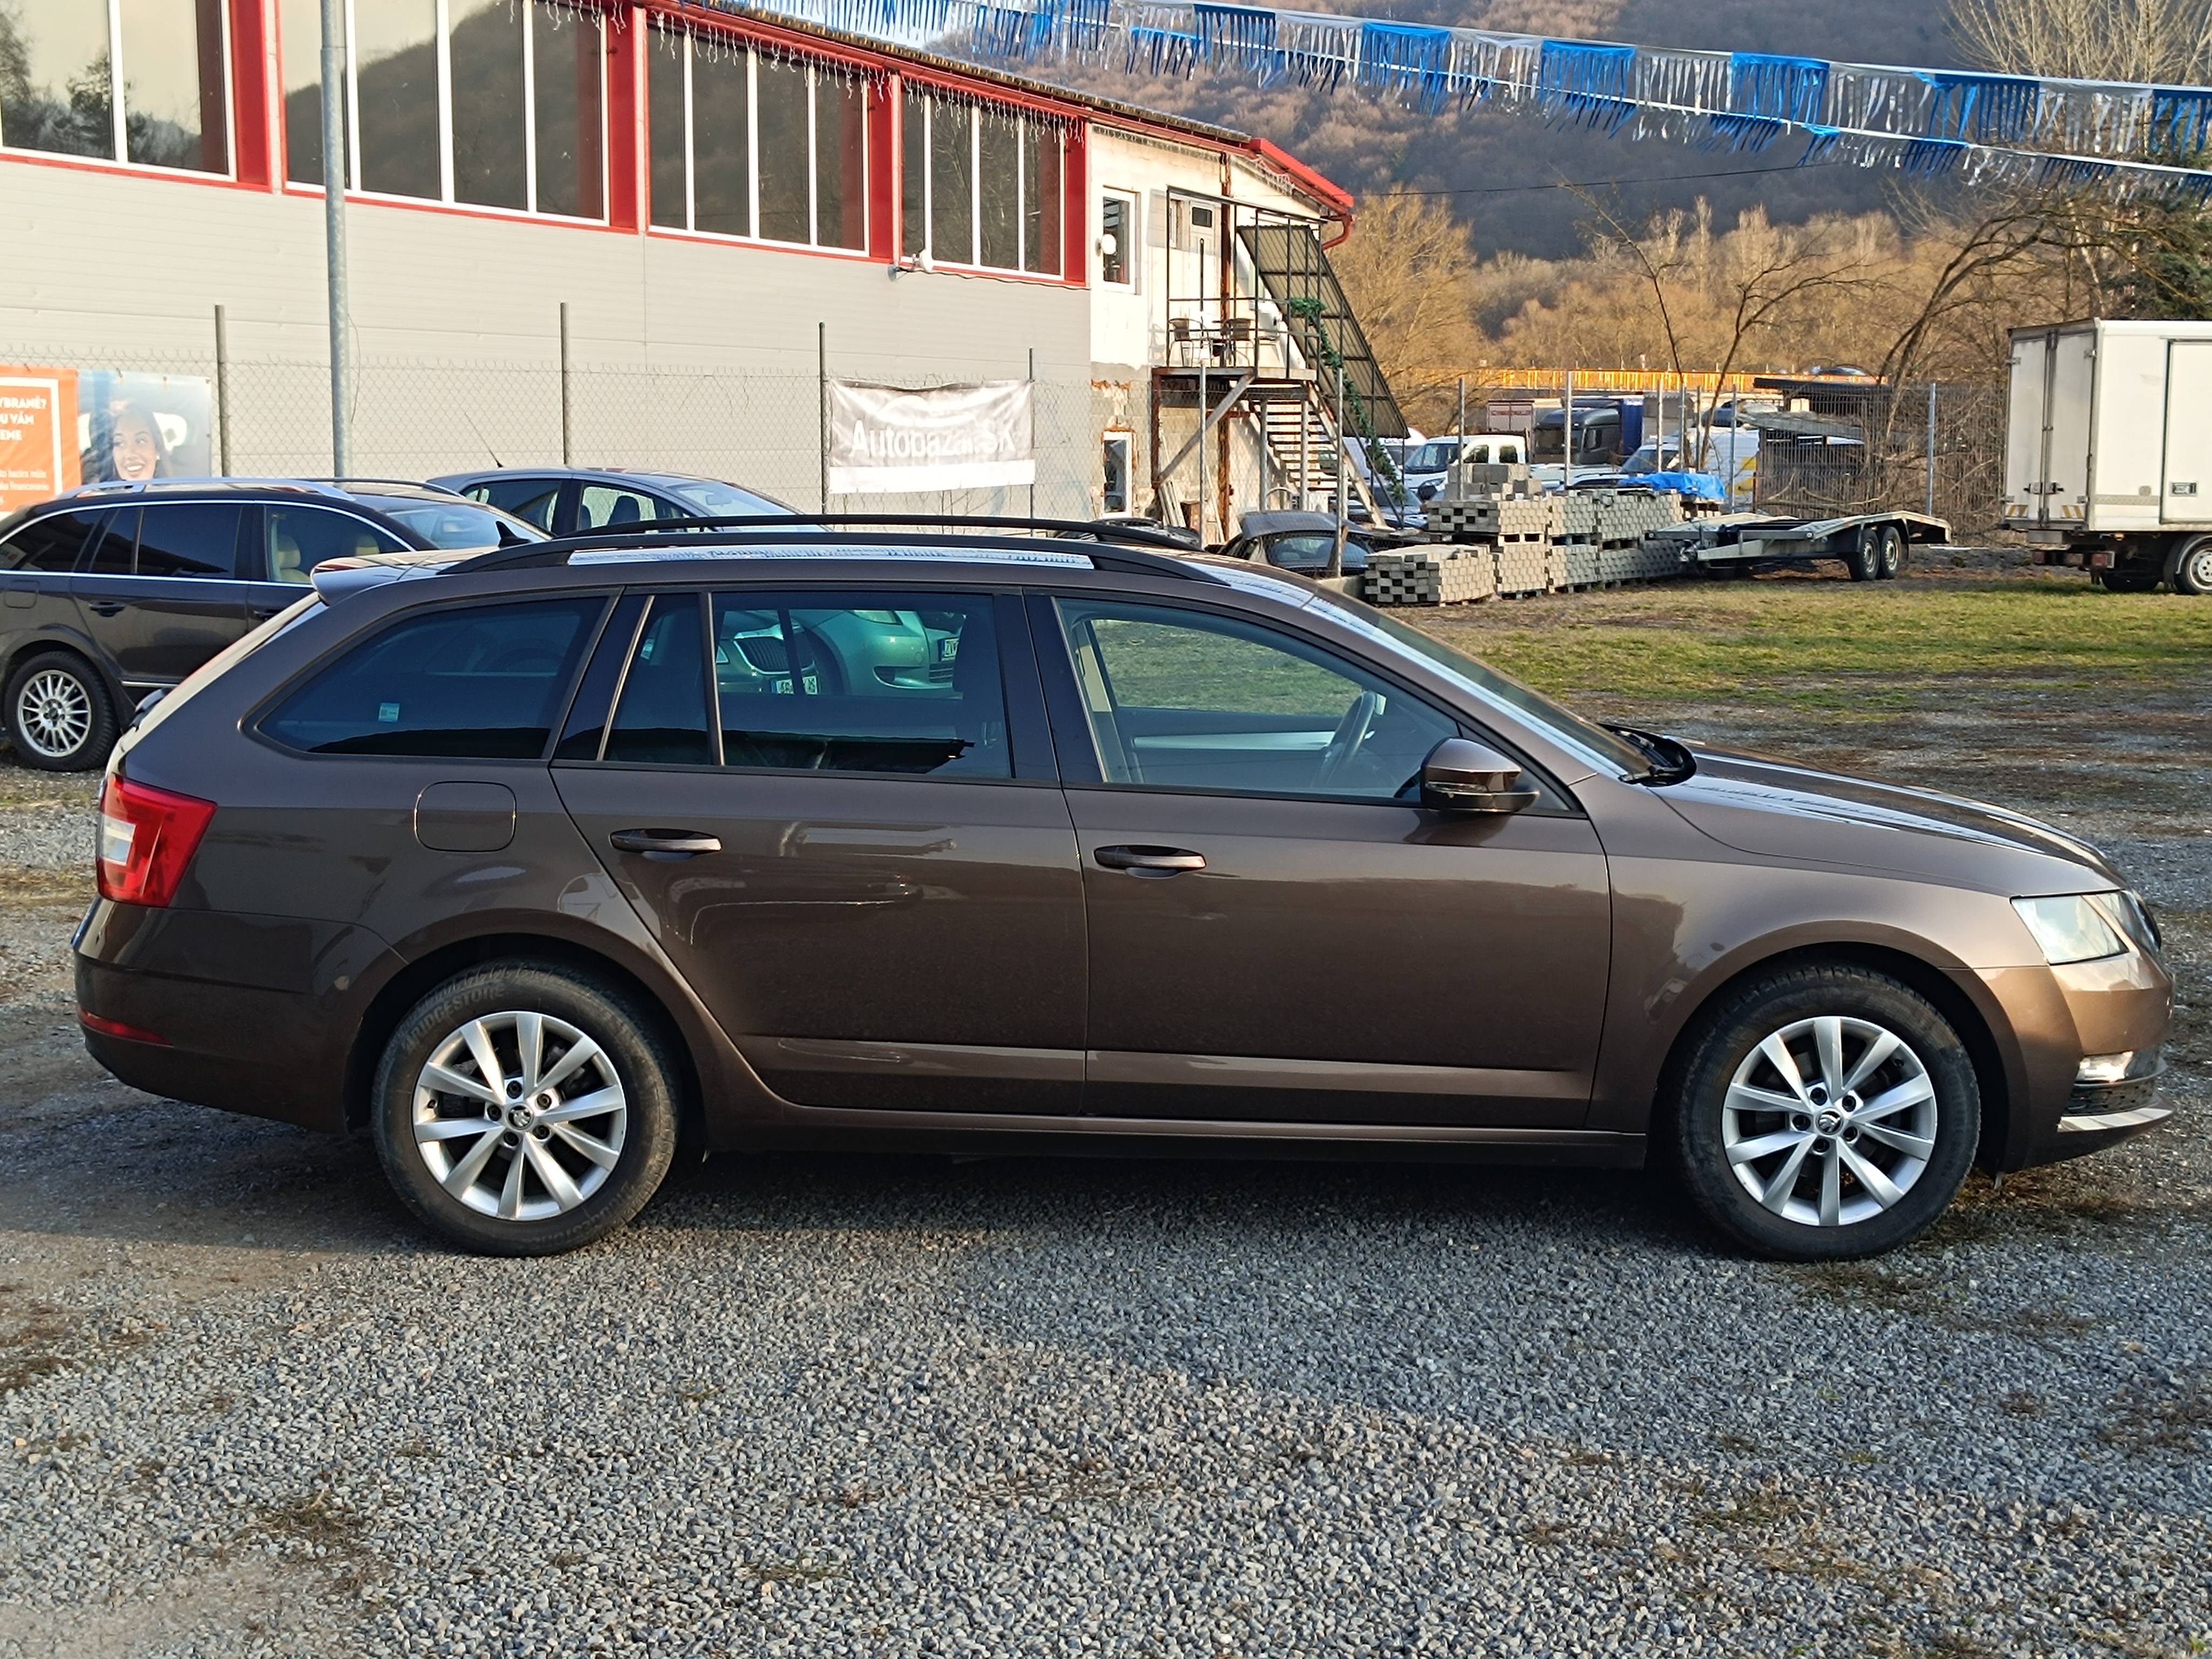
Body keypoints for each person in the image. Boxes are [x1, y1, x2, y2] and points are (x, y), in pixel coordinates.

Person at [103, 400, 172, 482]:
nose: (131, 454)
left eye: (141, 441)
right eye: (120, 443)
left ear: (157, 448)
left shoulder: (181, 489)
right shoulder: (94, 490)